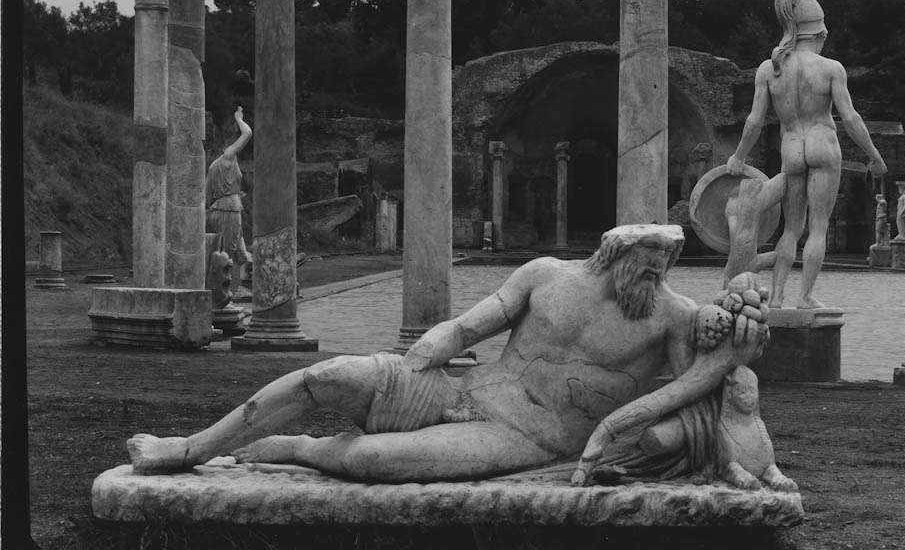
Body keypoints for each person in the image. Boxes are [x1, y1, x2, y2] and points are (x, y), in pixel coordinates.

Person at [127, 224, 768, 484]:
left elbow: (694, 390)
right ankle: (189, 449)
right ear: (616, 254)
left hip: (525, 437)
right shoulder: (546, 275)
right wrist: (437, 342)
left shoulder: (674, 316)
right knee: (327, 374)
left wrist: (729, 354)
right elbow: (471, 324)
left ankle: (298, 449)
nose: (658, 273)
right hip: (464, 389)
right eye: (649, 261)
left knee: (372, 461)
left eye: (666, 263)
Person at [727, 0, 886, 309]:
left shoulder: (769, 70)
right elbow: (851, 118)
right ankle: (805, 297)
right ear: (821, 32)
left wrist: (738, 156)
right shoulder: (831, 69)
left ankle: (777, 297)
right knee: (818, 227)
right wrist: (874, 155)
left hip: (792, 149)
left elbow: (755, 121)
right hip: (822, 145)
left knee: (791, 229)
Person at [205, 107, 254, 287]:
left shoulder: (212, 167)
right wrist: (239, 119)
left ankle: (243, 279)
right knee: (228, 251)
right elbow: (247, 133)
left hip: (218, 209)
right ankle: (228, 290)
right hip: (229, 210)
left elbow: (206, 196)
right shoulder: (228, 157)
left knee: (237, 250)